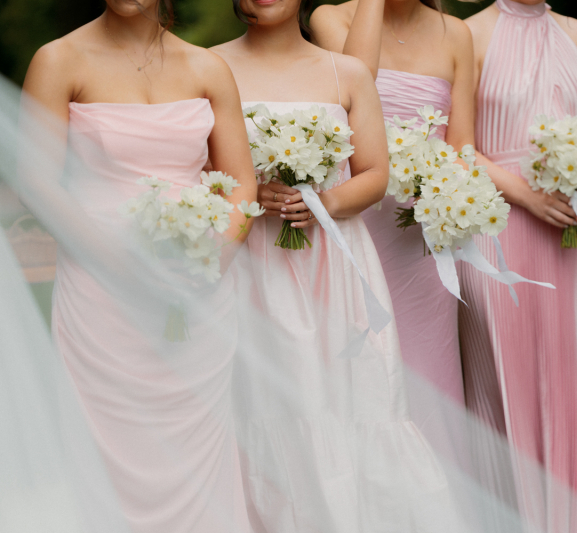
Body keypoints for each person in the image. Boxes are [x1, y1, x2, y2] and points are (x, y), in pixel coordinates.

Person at [212, 1, 458, 530]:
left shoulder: (344, 72)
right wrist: (251, 191)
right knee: (265, 403)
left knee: (351, 400)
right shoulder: (209, 67)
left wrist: (322, 203)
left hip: (333, 266)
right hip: (250, 266)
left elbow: (373, 172)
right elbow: (206, 168)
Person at [19, 0, 258, 531]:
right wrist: (123, 269)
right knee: (110, 446)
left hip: (199, 288)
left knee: (198, 447)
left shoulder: (208, 68)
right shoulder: (60, 60)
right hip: (102, 290)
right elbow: (37, 181)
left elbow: (242, 182)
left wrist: (210, 261)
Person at [460, 0, 577, 530]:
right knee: (502, 380)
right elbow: (459, 145)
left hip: (572, 235)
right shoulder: (467, 32)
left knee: (574, 381)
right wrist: (526, 197)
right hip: (498, 229)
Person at [309, 0, 475, 435]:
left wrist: (450, 192)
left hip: (424, 232)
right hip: (359, 219)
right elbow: (352, 86)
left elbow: (462, 145)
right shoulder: (331, 17)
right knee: (370, 361)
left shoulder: (456, 32)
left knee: (430, 366)